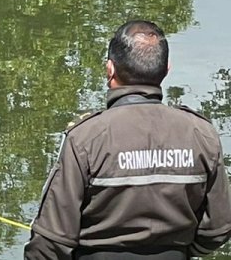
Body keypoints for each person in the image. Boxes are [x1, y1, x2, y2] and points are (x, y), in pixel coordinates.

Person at [26, 20, 231, 259]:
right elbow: (219, 227)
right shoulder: (201, 134)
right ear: (166, 70)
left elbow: (50, 241)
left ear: (110, 69)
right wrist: (182, 252)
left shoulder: (86, 137)